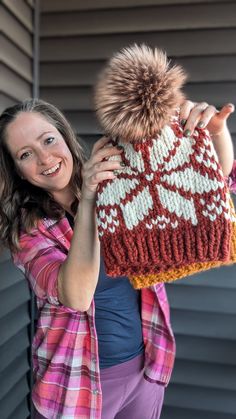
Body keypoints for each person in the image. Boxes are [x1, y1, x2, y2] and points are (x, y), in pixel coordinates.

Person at [0, 98, 234, 419]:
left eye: (48, 140)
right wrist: (89, 198)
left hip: (145, 368)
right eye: (25, 154)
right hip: (73, 387)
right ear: (18, 172)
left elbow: (208, 182)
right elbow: (76, 296)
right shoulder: (30, 232)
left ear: (65, 137)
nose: (44, 158)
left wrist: (216, 133)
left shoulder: (119, 181)